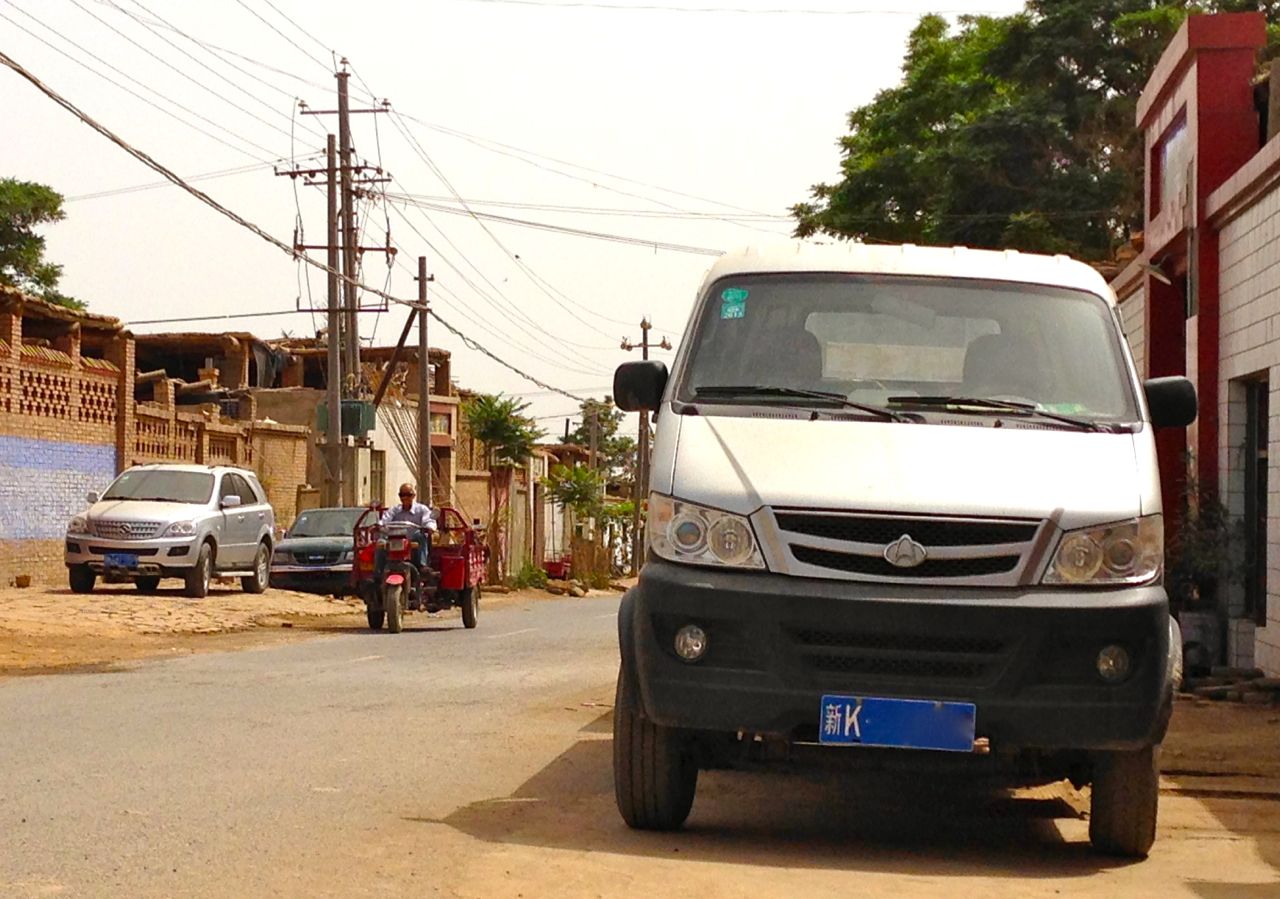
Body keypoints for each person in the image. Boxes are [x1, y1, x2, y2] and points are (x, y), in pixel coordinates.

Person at [379, 483, 437, 572]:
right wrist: (380, 525)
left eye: (408, 495)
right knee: (380, 542)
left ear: (414, 496)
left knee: (420, 535)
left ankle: (422, 565)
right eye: (402, 495)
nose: (405, 498)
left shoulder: (422, 509)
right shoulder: (394, 510)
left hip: (413, 543)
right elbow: (385, 520)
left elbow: (428, 520)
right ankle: (378, 573)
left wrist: (429, 527)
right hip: (394, 542)